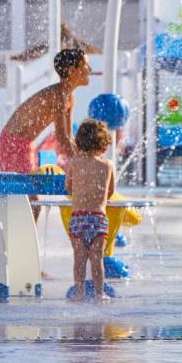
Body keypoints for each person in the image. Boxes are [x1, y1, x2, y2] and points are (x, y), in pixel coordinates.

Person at [0, 48, 88, 174]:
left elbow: (69, 136)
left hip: (24, 144)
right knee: (26, 191)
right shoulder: (58, 96)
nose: (89, 70)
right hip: (12, 144)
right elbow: (61, 137)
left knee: (29, 190)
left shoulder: (70, 97)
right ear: (71, 71)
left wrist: (84, 159)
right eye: (85, 65)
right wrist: (80, 166)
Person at [65, 118, 116, 302]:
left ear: (79, 143)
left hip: (78, 218)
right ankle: (99, 293)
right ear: (103, 146)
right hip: (98, 218)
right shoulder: (107, 165)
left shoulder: (73, 163)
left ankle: (79, 292)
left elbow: (68, 187)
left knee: (79, 259)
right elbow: (110, 191)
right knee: (97, 259)